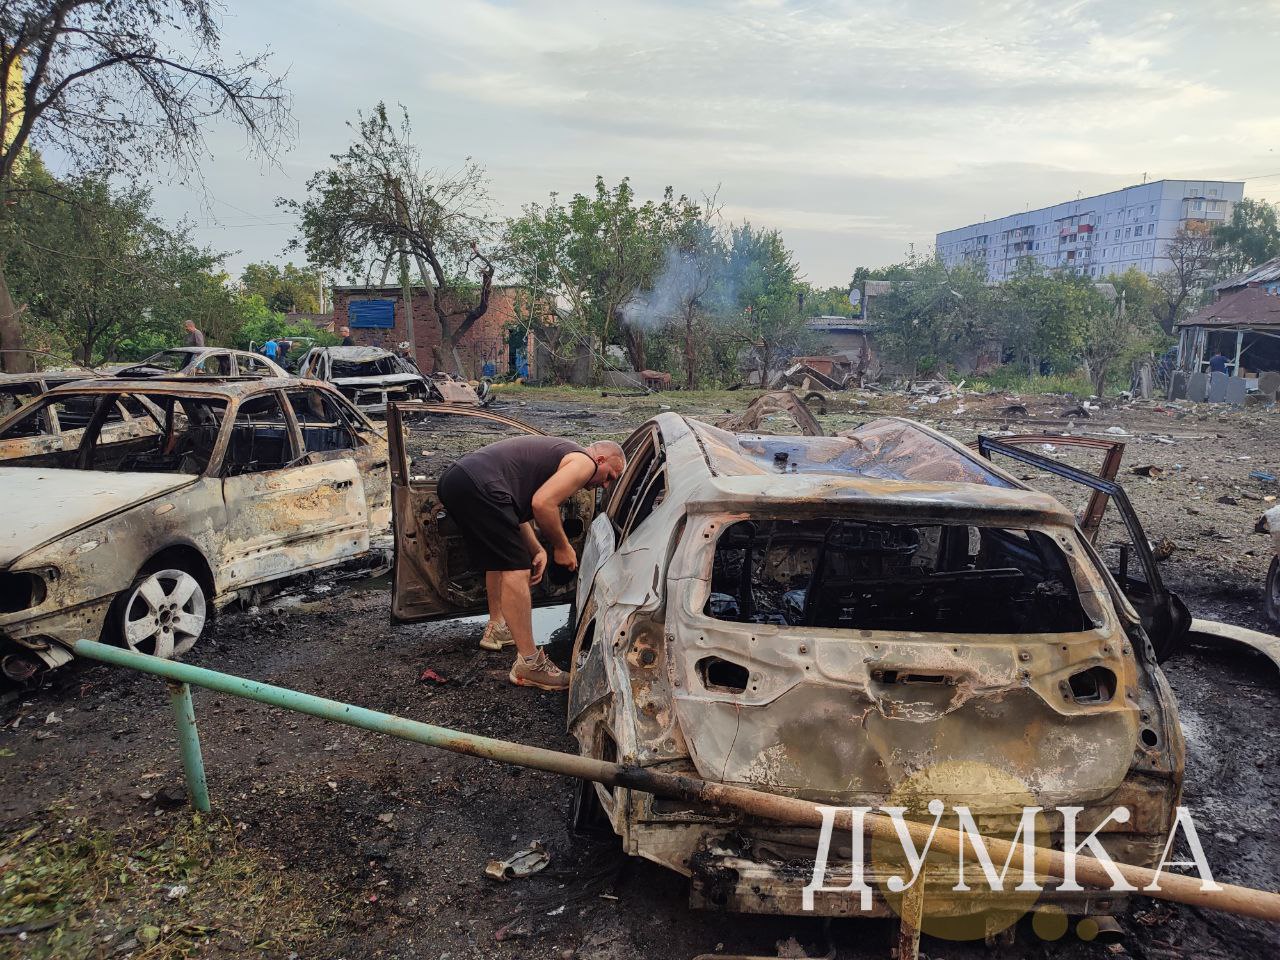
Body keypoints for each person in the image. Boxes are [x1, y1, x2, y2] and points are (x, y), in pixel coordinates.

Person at [437, 436, 626, 691]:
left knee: (502, 559)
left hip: (457, 480)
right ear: (600, 459)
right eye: (609, 476)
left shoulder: (555, 458)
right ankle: (529, 663)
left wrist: (537, 548)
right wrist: (561, 546)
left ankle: (498, 628)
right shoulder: (584, 462)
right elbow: (542, 503)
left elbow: (513, 512)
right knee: (517, 568)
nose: (603, 484)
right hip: (480, 484)